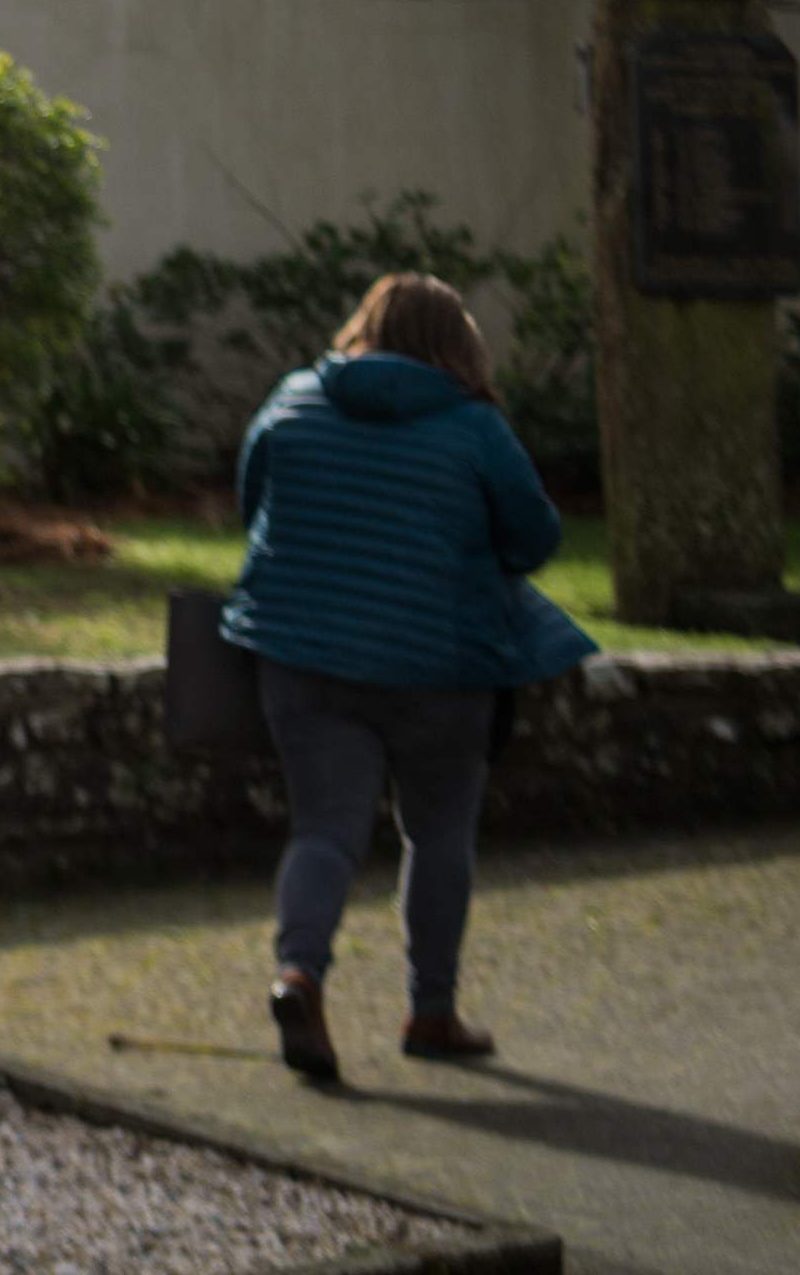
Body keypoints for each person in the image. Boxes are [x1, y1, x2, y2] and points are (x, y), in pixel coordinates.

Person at [220, 271, 597, 1079]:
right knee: (437, 834)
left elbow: (254, 504)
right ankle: (431, 1012)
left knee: (324, 829)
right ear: (457, 343)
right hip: (441, 665)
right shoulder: (474, 426)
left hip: (305, 657)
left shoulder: (290, 401)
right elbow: (534, 539)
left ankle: (298, 976)